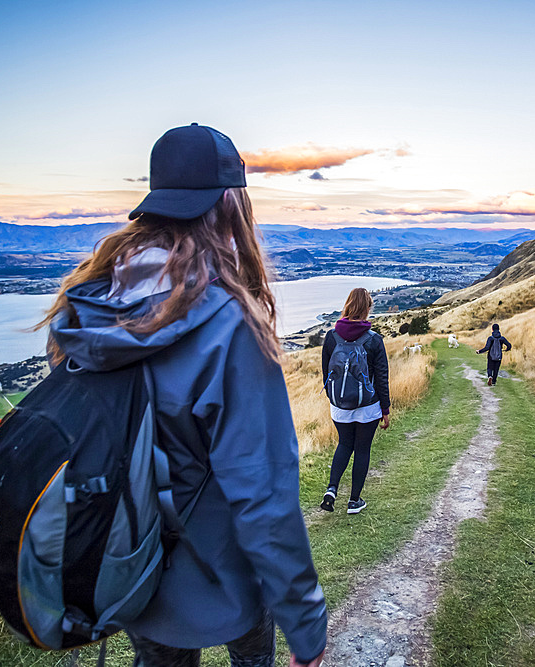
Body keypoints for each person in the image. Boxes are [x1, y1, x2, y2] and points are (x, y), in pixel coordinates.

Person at [39, 124, 326, 667]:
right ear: (229, 202)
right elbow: (263, 495)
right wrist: (306, 625)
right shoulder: (227, 322)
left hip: (129, 566)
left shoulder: (90, 305)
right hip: (228, 575)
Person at [320, 288, 391, 514]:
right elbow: (381, 377)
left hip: (339, 405)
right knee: (362, 450)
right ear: (367, 308)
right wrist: (385, 408)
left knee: (344, 444)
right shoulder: (374, 340)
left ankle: (331, 489)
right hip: (368, 406)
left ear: (348, 305)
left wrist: (334, 398)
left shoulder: (331, 337)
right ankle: (354, 501)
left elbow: (326, 373)